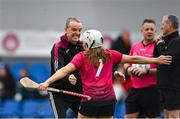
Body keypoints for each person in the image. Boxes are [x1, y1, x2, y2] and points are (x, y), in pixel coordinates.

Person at [38, 29, 172, 118]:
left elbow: (64, 70)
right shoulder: (110, 54)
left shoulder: (81, 56)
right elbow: (134, 58)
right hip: (108, 101)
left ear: (87, 43)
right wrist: (156, 59)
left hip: (90, 101)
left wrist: (47, 82)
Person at [122, 19, 160, 118]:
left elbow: (164, 71)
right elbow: (126, 63)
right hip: (134, 90)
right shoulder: (135, 46)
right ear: (141, 31)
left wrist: (147, 71)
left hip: (152, 91)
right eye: (147, 29)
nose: (149, 31)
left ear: (155, 31)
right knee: (129, 117)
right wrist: (128, 69)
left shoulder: (159, 48)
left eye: (152, 29)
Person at [48, 17, 84, 118]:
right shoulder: (58, 47)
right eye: (74, 29)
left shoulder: (82, 47)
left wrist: (114, 72)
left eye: (79, 30)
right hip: (58, 92)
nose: (77, 33)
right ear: (66, 29)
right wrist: (67, 77)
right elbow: (57, 69)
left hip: (77, 93)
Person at [154, 14, 180, 118]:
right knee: (166, 116)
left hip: (173, 88)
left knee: (174, 116)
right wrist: (159, 43)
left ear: (169, 25)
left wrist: (160, 44)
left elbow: (165, 59)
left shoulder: (177, 41)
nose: (161, 27)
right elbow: (156, 60)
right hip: (163, 87)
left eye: (163, 24)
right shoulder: (166, 41)